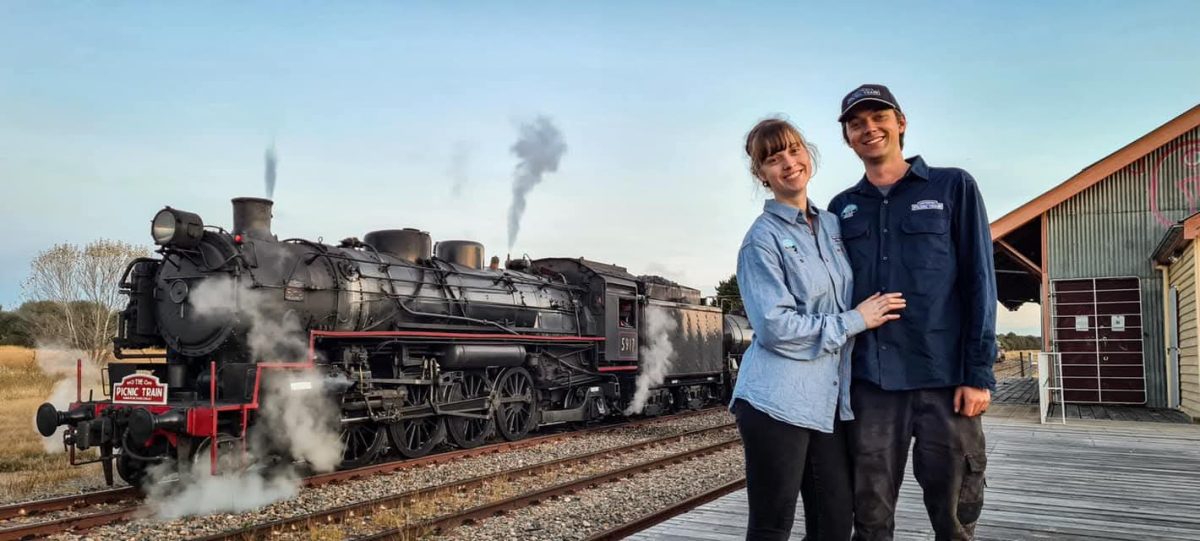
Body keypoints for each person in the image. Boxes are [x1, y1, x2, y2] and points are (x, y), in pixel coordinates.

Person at [827, 84, 998, 541]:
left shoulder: (953, 186)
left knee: (956, 511)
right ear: (847, 137)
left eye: (878, 117)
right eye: (856, 123)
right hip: (872, 385)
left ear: (900, 123)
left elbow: (980, 281)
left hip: (946, 379)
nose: (869, 128)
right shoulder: (840, 209)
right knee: (871, 514)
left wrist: (978, 373)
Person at [731, 117, 906, 541]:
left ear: (807, 154)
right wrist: (855, 321)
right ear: (761, 174)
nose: (788, 163)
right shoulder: (761, 240)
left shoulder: (830, 225)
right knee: (772, 527)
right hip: (776, 401)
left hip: (827, 403)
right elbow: (774, 326)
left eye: (794, 151)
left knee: (833, 523)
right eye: (773, 159)